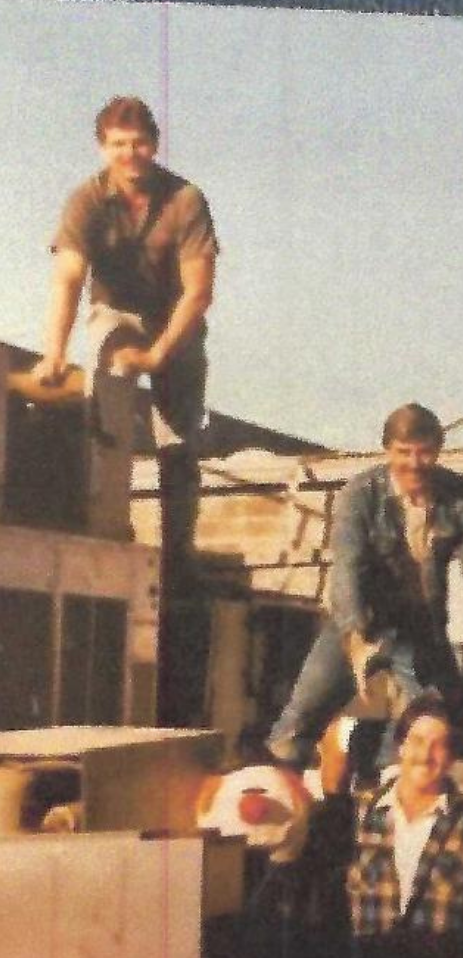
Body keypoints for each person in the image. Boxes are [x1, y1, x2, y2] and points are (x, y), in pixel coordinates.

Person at [34, 95, 218, 590]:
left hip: (176, 321)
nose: (129, 154)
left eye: (138, 144)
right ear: (102, 148)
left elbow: (200, 290)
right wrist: (54, 351)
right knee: (108, 399)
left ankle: (180, 558)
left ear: (154, 146)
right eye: (118, 145)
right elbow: (68, 278)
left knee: (179, 445)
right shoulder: (87, 200)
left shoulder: (185, 200)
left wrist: (161, 354)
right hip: (116, 314)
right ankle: (108, 527)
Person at [267, 402, 463, 772]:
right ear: (387, 450)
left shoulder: (460, 499)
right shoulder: (360, 495)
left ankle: (398, 801)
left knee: (435, 722)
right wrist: (356, 641)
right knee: (300, 716)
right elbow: (346, 568)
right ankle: (275, 798)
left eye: (424, 453)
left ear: (438, 451)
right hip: (360, 622)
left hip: (422, 629)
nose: (414, 463)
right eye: (403, 453)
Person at [346, 692, 463, 958]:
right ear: (401, 746)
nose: (426, 754)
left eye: (439, 744)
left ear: (450, 757)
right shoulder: (362, 813)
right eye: (417, 741)